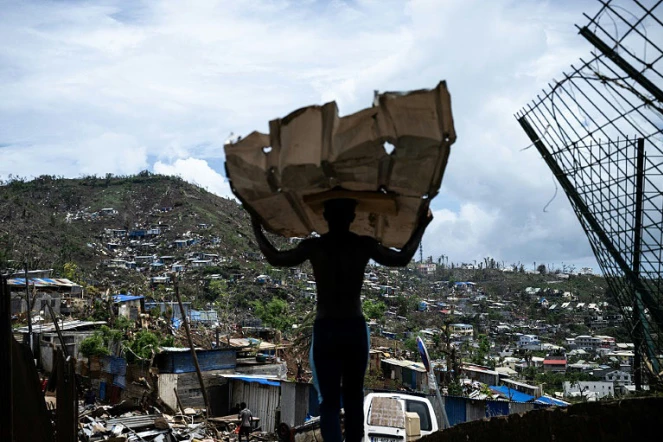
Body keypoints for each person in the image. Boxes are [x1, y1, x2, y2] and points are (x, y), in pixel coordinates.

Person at [251, 198, 432, 442]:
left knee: (329, 401)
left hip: (326, 329)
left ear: (325, 217)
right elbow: (401, 258)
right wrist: (422, 224)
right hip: (353, 329)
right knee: (354, 397)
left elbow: (275, 257)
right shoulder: (362, 244)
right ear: (351, 217)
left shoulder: (315, 246)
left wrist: (256, 226)